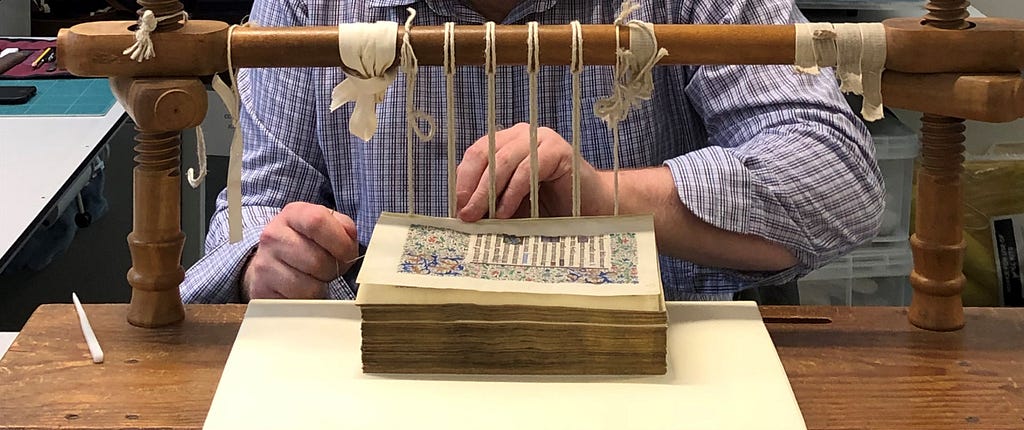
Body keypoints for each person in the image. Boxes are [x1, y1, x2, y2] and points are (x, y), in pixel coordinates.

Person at [181, 0, 884, 303]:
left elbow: (837, 179)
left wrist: (605, 197)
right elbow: (250, 215)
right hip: (385, 379)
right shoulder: (311, 1)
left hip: (649, 379)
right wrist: (262, 267)